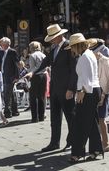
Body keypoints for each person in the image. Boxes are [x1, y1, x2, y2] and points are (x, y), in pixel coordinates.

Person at [25, 24, 78, 152]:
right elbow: (45, 63)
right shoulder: (54, 49)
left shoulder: (69, 47)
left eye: (53, 37)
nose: (52, 40)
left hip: (66, 89)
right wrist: (33, 72)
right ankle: (54, 142)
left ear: (60, 36)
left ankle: (72, 142)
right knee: (55, 118)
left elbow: (74, 70)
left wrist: (71, 89)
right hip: (54, 88)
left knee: (70, 117)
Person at [67, 34, 102, 163]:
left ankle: (77, 153)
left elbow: (86, 78)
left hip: (87, 91)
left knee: (80, 123)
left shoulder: (84, 57)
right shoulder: (89, 54)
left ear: (76, 45)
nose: (72, 50)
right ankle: (96, 150)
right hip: (92, 90)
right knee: (91, 122)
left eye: (72, 47)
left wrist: (81, 91)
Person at [92, 39, 109, 152]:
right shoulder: (93, 59)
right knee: (97, 119)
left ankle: (106, 143)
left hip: (103, 92)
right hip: (95, 91)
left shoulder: (104, 60)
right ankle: (99, 142)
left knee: (101, 118)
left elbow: (108, 80)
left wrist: (102, 96)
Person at [27, 41, 47, 123]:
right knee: (41, 96)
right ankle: (41, 116)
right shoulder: (43, 55)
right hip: (44, 75)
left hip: (35, 76)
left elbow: (32, 68)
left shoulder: (32, 56)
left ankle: (35, 118)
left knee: (33, 97)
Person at [0, 37, 20, 118]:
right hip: (4, 75)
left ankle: (7, 112)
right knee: (11, 94)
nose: (1, 45)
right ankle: (15, 110)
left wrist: (16, 76)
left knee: (7, 94)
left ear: (6, 44)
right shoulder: (2, 52)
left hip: (10, 76)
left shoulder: (12, 52)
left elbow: (16, 65)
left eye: (2, 44)